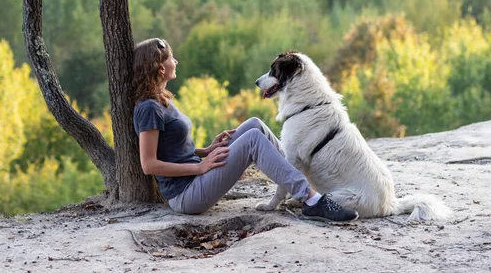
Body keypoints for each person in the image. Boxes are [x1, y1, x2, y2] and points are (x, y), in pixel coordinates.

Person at [132, 38, 358, 222]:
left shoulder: (162, 100)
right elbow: (148, 164)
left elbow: (172, 150)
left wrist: (206, 151)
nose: (176, 61)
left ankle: (293, 181)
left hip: (196, 178)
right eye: (172, 58)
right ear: (161, 68)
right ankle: (311, 200)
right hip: (186, 196)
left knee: (254, 124)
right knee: (252, 139)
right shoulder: (149, 108)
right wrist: (201, 168)